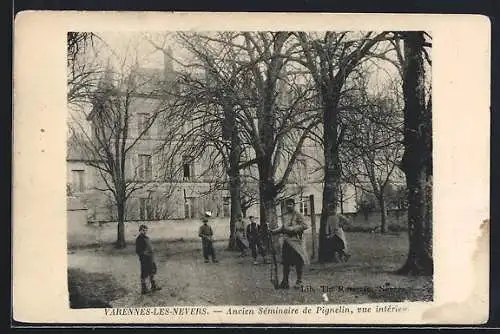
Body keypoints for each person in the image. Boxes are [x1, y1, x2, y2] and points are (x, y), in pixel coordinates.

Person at [271, 198, 309, 289]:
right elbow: (283, 228)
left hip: (296, 241)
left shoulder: (298, 215)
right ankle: (285, 282)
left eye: (291, 204)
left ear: (294, 205)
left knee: (298, 261)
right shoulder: (285, 216)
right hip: (287, 241)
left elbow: (305, 225)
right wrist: (274, 231)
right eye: (287, 205)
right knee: (286, 262)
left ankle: (299, 281)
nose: (289, 206)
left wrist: (294, 228)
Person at [135, 224, 162, 295]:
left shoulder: (147, 238)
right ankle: (144, 289)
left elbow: (149, 246)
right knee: (144, 273)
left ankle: (153, 286)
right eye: (143, 230)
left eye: (145, 230)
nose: (144, 232)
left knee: (152, 272)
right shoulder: (139, 239)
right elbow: (138, 250)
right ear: (140, 231)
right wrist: (143, 254)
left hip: (150, 258)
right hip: (144, 259)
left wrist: (152, 250)